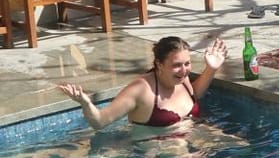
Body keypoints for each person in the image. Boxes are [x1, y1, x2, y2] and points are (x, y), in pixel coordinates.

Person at [58, 35, 228, 131]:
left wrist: (211, 69)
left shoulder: (182, 80)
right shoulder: (141, 90)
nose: (184, 70)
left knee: (239, 147)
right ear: (159, 65)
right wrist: (85, 103)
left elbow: (195, 95)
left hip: (191, 132)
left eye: (187, 63)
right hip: (157, 147)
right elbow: (100, 121)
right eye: (176, 65)